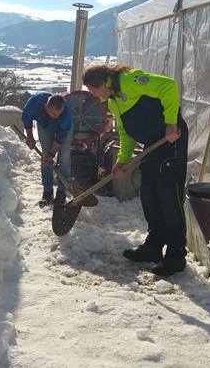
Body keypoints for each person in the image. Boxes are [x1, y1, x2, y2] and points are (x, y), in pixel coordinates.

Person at [83, 64, 189, 277]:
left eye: (93, 90)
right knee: (149, 194)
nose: (93, 95)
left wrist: (170, 124)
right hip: (151, 145)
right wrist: (122, 160)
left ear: (103, 84)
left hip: (170, 140)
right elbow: (126, 133)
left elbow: (168, 86)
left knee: (169, 196)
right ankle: (153, 246)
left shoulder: (130, 81)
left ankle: (176, 255)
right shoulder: (113, 101)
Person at [22, 92, 73, 208]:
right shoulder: (34, 103)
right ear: (46, 107)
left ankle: (61, 193)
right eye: (53, 113)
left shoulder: (67, 113)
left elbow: (61, 136)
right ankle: (47, 192)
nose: (56, 116)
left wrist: (52, 153)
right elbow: (27, 118)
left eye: (58, 114)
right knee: (45, 157)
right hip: (44, 125)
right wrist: (30, 137)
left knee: (64, 157)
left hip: (63, 129)